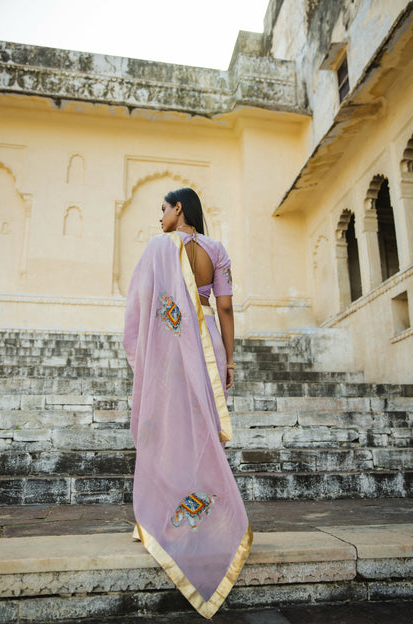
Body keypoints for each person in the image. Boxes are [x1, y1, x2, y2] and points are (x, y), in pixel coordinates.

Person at [123, 187, 252, 619]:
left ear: (179, 210)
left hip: (173, 349)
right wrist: (230, 360)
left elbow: (142, 304)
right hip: (208, 346)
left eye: (163, 209)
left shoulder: (160, 248)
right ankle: (202, 525)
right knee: (200, 431)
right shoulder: (216, 250)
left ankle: (166, 523)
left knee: (168, 429)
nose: (159, 217)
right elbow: (227, 307)